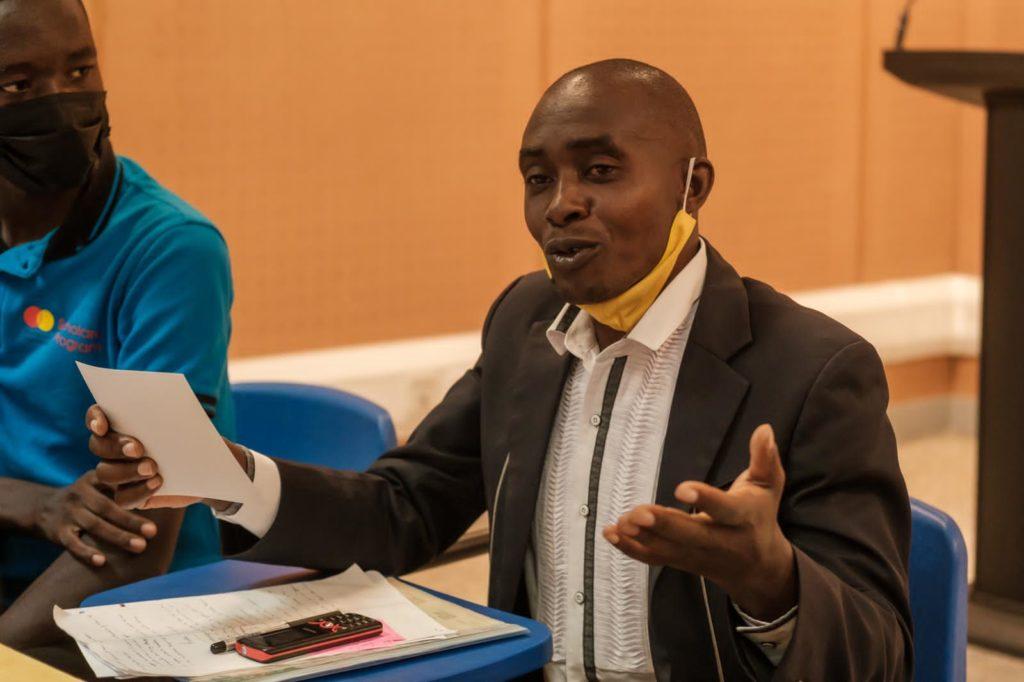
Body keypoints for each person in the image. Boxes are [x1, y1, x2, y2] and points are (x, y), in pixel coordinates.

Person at [92, 59, 911, 680]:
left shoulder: (815, 368)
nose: (560, 203)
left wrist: (771, 581)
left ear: (693, 185)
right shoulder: (525, 323)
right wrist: (230, 475)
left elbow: (882, 653)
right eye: (537, 178)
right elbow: (402, 509)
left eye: (599, 171)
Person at [0, 0, 234, 652]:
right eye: (20, 86)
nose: (63, 102)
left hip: (135, 614)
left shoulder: (169, 250)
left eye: (80, 70)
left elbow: (137, 542)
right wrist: (32, 505)